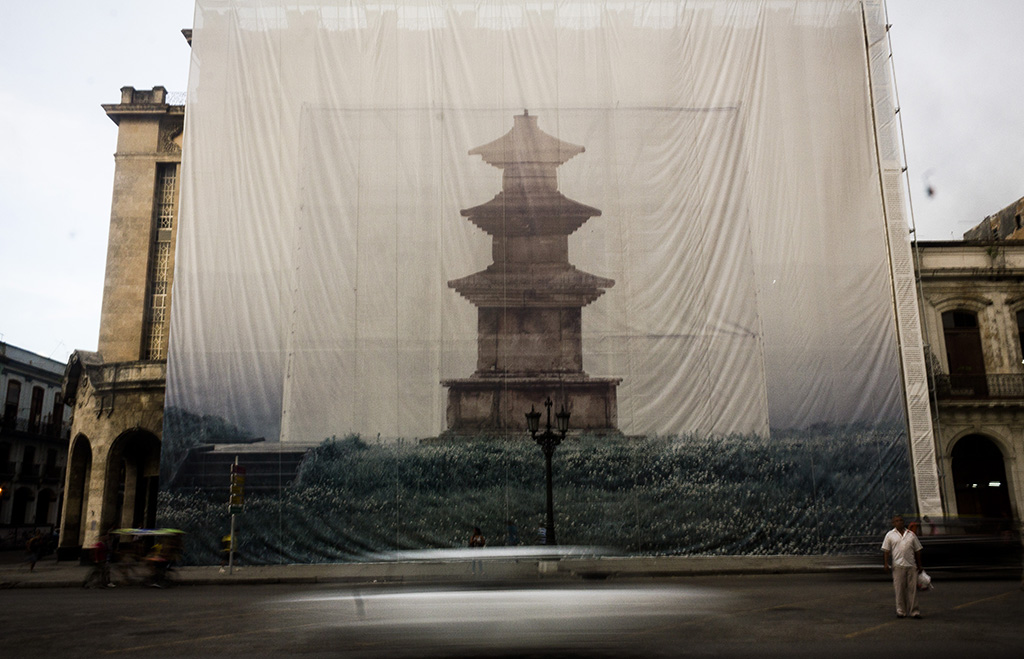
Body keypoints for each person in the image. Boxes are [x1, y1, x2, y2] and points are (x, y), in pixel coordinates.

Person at [882, 514, 923, 618]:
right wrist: (886, 564)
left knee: (912, 590)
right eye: (896, 521)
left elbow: (917, 550)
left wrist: (919, 565)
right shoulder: (890, 535)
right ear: (893, 523)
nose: (899, 522)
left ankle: (914, 611)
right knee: (899, 589)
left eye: (900, 520)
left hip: (911, 565)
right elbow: (886, 551)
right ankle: (901, 611)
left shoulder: (911, 535)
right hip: (898, 566)